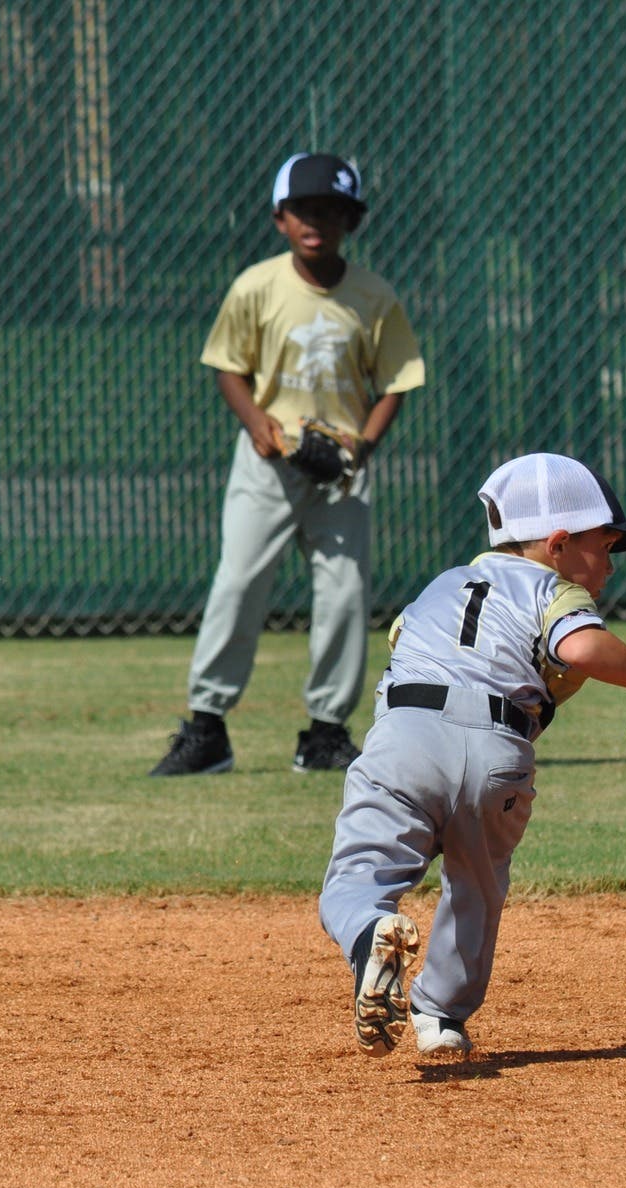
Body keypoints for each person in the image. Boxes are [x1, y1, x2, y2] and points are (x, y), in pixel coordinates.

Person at [320, 451, 626, 1061]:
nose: (612, 567)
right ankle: (440, 1018)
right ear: (560, 543)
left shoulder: (436, 588)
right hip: (496, 752)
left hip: (403, 738)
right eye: (607, 545)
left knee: (355, 880)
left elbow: (406, 647)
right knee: (476, 885)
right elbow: (583, 648)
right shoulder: (553, 588)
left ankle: (368, 935)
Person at [151, 152, 425, 777]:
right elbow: (228, 366)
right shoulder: (257, 286)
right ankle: (207, 727)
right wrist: (258, 424)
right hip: (268, 464)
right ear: (280, 218)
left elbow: (397, 381)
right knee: (239, 585)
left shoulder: (373, 296)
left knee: (344, 595)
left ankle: (326, 733)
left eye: (331, 210)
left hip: (343, 472)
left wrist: (363, 447)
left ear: (351, 221)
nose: (316, 221)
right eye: (303, 209)